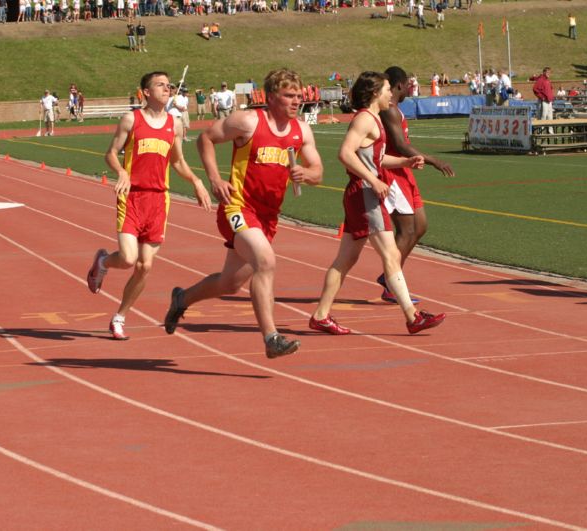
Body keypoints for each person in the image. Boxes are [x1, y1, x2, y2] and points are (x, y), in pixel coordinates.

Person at [163, 68, 323, 359]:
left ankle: (181, 299)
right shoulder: (249, 121)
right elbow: (206, 139)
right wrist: (214, 178)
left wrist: (306, 173)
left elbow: (318, 171)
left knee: (230, 283)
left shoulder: (302, 130)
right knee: (265, 261)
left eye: (298, 96)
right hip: (237, 206)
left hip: (267, 216)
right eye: (289, 96)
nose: (296, 101)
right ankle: (271, 337)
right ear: (272, 97)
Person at [309, 71, 446, 336]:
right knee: (391, 254)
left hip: (362, 193)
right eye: (386, 90)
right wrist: (373, 180)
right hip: (364, 193)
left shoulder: (375, 120)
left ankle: (321, 315)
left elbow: (376, 158)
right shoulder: (364, 119)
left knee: (345, 259)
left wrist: (405, 162)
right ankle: (412, 316)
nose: (390, 95)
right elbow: (345, 154)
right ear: (374, 94)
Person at [87, 71, 212, 340]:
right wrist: (121, 171)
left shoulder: (175, 125)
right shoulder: (131, 119)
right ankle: (104, 262)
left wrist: (197, 181)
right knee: (129, 258)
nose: (167, 88)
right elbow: (110, 153)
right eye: (160, 85)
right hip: (132, 196)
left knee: (144, 267)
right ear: (145, 91)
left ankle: (119, 317)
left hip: (158, 199)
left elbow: (177, 161)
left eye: (168, 85)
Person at [373, 66, 454, 303]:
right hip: (394, 171)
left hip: (405, 171)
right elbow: (399, 144)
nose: (411, 88)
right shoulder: (388, 110)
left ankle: (389, 276)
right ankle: (391, 282)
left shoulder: (396, 109)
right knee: (406, 230)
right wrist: (433, 160)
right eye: (409, 84)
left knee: (420, 227)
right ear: (400, 85)